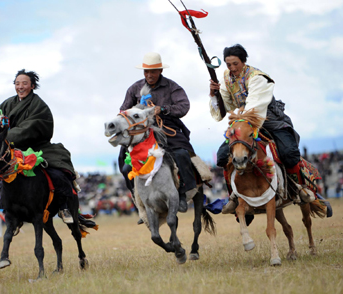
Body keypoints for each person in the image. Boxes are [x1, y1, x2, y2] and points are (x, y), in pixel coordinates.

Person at [209, 44, 314, 214]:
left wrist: (240, 119)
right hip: (243, 123)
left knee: (288, 153)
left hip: (271, 120)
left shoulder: (258, 78)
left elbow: (254, 106)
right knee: (223, 157)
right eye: (228, 65)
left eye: (235, 63)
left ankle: (299, 188)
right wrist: (215, 95)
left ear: (244, 61)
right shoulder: (227, 79)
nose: (232, 68)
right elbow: (224, 109)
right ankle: (234, 197)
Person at [0, 69, 76, 224]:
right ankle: (9, 210)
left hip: (38, 148)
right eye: (17, 83)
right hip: (12, 150)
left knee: (58, 171)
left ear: (32, 86)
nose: (20, 87)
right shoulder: (7, 104)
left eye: (24, 83)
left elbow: (32, 126)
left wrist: (5, 136)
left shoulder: (39, 106)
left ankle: (63, 206)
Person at [119, 52, 198, 218]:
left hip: (166, 127)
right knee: (125, 164)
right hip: (141, 131)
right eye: (146, 72)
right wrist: (136, 112)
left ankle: (183, 193)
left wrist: (162, 109)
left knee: (182, 153)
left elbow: (184, 106)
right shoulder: (134, 88)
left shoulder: (172, 87)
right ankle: (137, 199)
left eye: (153, 71)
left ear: (160, 70)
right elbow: (122, 111)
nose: (149, 75)